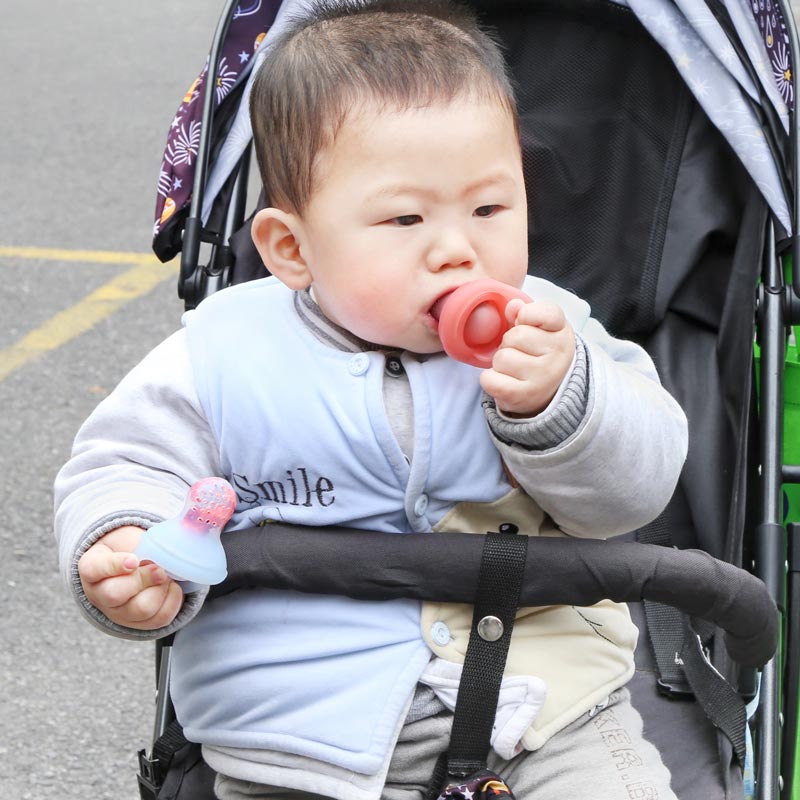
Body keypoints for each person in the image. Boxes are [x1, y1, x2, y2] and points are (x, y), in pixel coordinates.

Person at [54, 1, 688, 798]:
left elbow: (637, 490)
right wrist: (127, 545)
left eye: (490, 209)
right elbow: (125, 459)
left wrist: (561, 405)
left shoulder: (555, 334)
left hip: (546, 715)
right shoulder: (224, 353)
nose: (459, 247)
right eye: (405, 218)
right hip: (293, 732)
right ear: (292, 248)